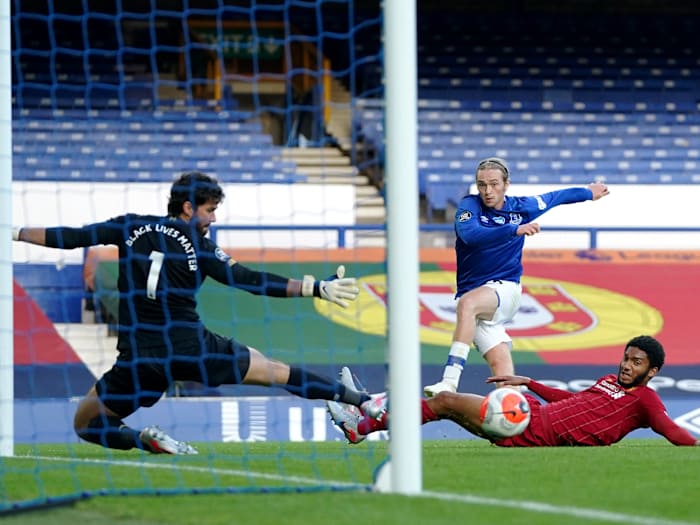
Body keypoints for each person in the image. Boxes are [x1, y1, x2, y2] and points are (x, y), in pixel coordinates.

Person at [12, 171, 384, 455]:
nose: (213, 219)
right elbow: (248, 279)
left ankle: (145, 440)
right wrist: (314, 288)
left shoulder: (129, 226)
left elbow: (70, 236)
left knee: (86, 423)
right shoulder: (199, 245)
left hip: (140, 360)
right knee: (273, 370)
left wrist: (14, 232)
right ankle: (360, 402)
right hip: (192, 348)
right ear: (188, 208)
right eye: (210, 211)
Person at [424, 157, 611, 397]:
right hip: (480, 299)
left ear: (506, 184)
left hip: (505, 289)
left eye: (494, 184)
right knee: (504, 375)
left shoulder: (521, 207)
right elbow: (470, 235)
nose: (487, 191)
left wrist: (587, 192)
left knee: (467, 304)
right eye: (482, 185)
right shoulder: (469, 206)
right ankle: (516, 421)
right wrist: (513, 230)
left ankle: (449, 382)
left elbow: (556, 197)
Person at [329, 335, 700, 447]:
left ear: (652, 371)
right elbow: (573, 401)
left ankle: (362, 422)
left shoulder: (646, 400)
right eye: (626, 358)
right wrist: (529, 383)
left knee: (442, 401)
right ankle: (362, 423)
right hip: (532, 414)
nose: (626, 365)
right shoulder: (607, 381)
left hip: (533, 431)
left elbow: (674, 432)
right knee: (441, 405)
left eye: (635, 363)